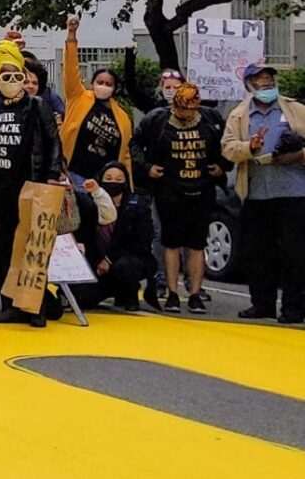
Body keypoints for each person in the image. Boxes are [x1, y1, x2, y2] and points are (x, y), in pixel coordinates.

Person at [0, 38, 64, 326]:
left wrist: (52, 176)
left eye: (18, 75)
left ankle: (35, 306)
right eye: (6, 75)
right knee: (5, 246)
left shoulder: (37, 105)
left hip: (33, 186)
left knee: (33, 248)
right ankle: (12, 303)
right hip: (2, 190)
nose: (13, 80)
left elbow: (54, 142)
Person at [222, 63, 305, 324]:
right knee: (258, 252)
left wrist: (299, 155)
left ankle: (294, 308)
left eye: (269, 78)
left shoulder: (295, 109)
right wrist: (250, 146)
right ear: (249, 85)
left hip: (293, 190)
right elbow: (228, 148)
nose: (267, 82)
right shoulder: (238, 115)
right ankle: (262, 304)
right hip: (256, 192)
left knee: (295, 252)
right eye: (260, 79)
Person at [134, 83, 223, 314]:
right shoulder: (157, 120)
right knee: (170, 242)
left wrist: (222, 167)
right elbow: (134, 144)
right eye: (182, 111)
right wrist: (147, 167)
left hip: (202, 189)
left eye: (191, 111)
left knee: (196, 243)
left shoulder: (210, 119)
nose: (186, 115)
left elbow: (226, 146)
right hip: (169, 190)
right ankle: (172, 292)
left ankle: (195, 293)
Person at [66, 163, 157, 311]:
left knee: (126, 266)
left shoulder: (138, 205)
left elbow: (141, 242)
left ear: (126, 182)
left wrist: (109, 259)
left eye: (119, 179)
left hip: (127, 258)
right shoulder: (88, 202)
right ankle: (109, 289)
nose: (113, 182)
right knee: (83, 298)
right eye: (108, 178)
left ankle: (129, 292)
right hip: (96, 261)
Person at [61, 16, 133, 186]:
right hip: (72, 174)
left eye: (108, 84)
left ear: (115, 89)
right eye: (100, 82)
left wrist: (128, 186)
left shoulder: (123, 117)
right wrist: (71, 36)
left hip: (103, 183)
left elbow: (125, 154)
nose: (103, 86)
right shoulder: (78, 97)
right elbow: (71, 70)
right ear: (92, 83)